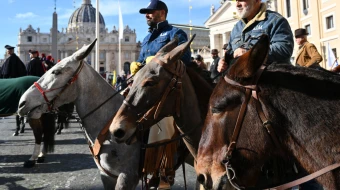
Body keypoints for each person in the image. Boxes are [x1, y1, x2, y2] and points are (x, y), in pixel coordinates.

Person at [218, 0, 294, 73]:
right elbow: (229, 51)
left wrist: (250, 53)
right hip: (243, 81)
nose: (237, 4)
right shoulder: (237, 27)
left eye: (242, 0)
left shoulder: (275, 20)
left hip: (271, 79)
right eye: (236, 0)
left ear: (257, 0)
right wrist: (223, 61)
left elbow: (284, 49)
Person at [136, 0, 191, 67]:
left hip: (163, 77)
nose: (146, 15)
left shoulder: (175, 33)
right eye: (146, 13)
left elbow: (185, 58)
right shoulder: (146, 39)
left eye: (150, 12)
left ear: (162, 13)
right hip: (146, 76)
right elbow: (141, 60)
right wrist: (137, 64)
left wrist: (158, 61)